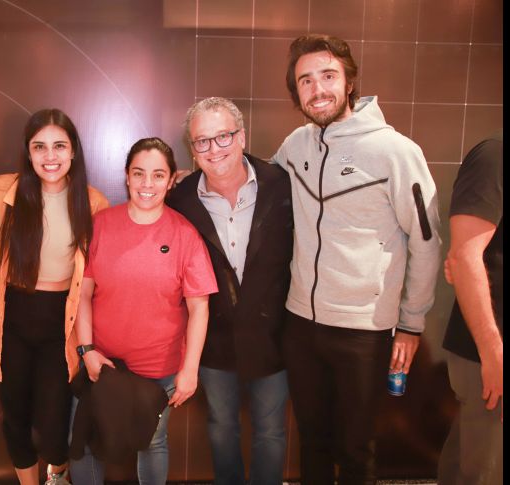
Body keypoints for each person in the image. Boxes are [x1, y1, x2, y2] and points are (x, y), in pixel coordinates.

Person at [269, 34, 441, 484]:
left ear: (349, 83)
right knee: (312, 441)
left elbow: (425, 241)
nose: (317, 88)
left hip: (363, 330)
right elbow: (257, 192)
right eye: (305, 81)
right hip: (300, 323)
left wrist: (410, 323)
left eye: (328, 76)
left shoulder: (396, 152)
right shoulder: (296, 146)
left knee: (355, 448)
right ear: (296, 91)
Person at [70, 137, 218, 485]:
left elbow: (200, 308)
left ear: (170, 180)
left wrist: (190, 370)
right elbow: (83, 294)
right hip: (102, 367)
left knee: (153, 442)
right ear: (127, 177)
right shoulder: (101, 225)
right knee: (86, 441)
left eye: (157, 175)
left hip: (159, 373)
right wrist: (87, 351)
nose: (147, 184)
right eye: (139, 174)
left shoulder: (185, 235)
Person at [166, 97, 294, 485]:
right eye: (201, 141)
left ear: (241, 137)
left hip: (273, 335)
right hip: (214, 340)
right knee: (222, 429)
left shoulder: (280, 183)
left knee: (271, 433)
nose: (214, 149)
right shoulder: (181, 199)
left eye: (222, 136)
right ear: (192, 149)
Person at [0, 108, 108, 485]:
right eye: (40, 147)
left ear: (73, 152)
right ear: (28, 152)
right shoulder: (2, 190)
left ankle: (57, 472)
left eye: (59, 146)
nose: (50, 156)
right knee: (15, 416)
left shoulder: (93, 202)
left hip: (60, 323)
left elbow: (101, 271)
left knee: (53, 426)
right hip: (10, 316)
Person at [437, 133, 502, 485]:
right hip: (490, 353)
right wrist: (494, 352)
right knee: (484, 472)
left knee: (469, 464)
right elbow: (464, 257)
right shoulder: (495, 157)